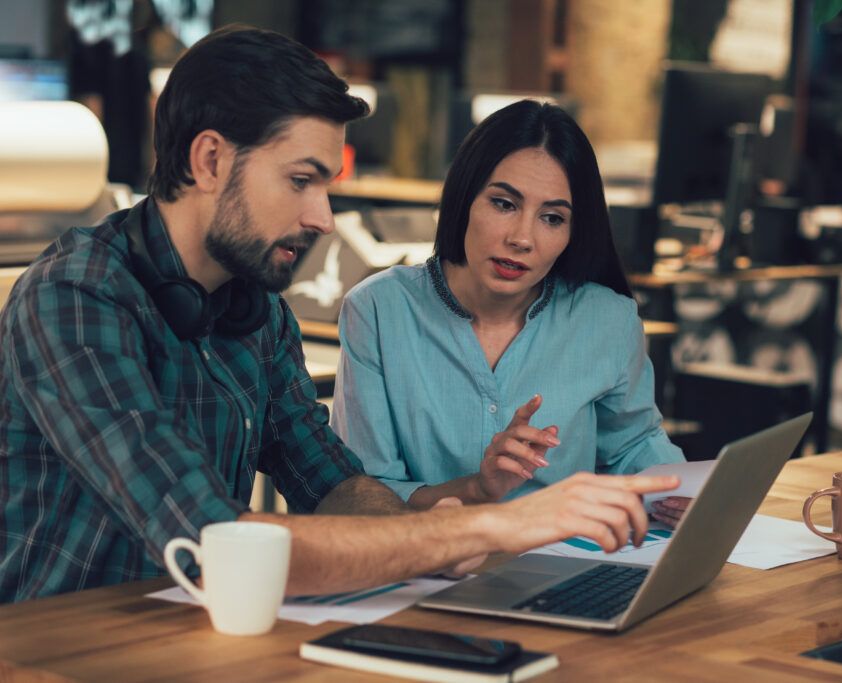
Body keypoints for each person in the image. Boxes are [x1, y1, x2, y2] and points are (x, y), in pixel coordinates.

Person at [0, 27, 679, 603]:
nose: (322, 216)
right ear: (209, 160)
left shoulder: (256, 311)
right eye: (302, 180)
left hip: (201, 638)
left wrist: (430, 535)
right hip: (60, 651)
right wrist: (485, 526)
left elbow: (334, 484)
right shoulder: (75, 298)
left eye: (327, 183)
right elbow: (214, 543)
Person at [332, 100, 689, 527]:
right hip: (429, 565)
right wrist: (475, 490)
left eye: (552, 218)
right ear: (465, 198)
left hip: (564, 564)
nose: (522, 238)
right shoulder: (378, 310)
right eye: (504, 204)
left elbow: (635, 444)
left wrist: (681, 492)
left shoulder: (607, 318)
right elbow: (364, 492)